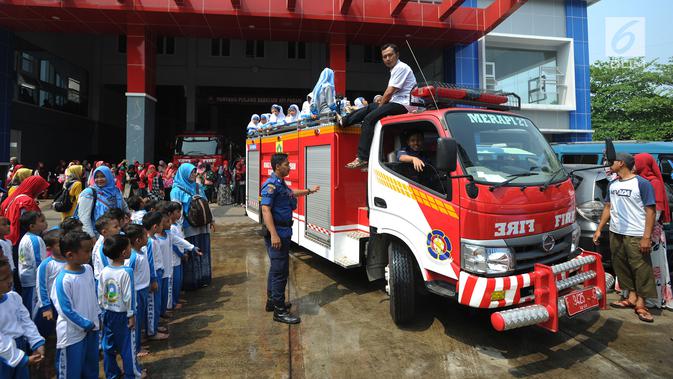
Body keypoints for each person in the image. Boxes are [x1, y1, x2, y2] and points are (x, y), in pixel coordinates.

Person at [593, 153, 657, 323]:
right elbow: (608, 207)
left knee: (641, 268)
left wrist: (646, 237)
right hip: (616, 232)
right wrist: (599, 229)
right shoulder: (613, 184)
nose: (609, 165)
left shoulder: (642, 184)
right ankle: (631, 297)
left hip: (636, 233)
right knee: (620, 264)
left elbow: (651, 211)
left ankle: (642, 304)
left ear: (621, 163)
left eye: (612, 162)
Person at [261, 153, 319, 324]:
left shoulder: (280, 183)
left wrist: (309, 191)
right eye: (287, 164)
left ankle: (273, 301)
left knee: (276, 269)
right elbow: (265, 209)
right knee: (280, 272)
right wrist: (274, 234)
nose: (290, 167)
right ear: (278, 166)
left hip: (283, 232)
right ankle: (279, 312)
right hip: (278, 233)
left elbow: (291, 193)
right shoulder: (271, 185)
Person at [341, 43, 417, 169]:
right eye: (384, 56)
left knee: (369, 119)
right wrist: (379, 104)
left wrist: (380, 107)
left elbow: (389, 92)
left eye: (390, 55)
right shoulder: (396, 69)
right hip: (398, 102)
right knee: (372, 106)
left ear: (397, 55)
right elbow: (390, 95)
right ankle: (345, 120)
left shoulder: (401, 68)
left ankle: (362, 158)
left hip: (405, 105)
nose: (387, 58)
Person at [52, 231, 99, 379]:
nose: (90, 254)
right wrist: (85, 324)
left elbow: (92, 296)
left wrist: (97, 318)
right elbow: (65, 310)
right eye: (86, 251)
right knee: (71, 372)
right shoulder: (63, 280)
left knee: (91, 367)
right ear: (70, 255)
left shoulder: (88, 269)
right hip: (72, 335)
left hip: (91, 329)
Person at [99, 234, 145, 379]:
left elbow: (100, 292)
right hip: (123, 314)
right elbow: (129, 295)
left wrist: (102, 309)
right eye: (129, 246)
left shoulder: (104, 270)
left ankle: (111, 373)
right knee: (128, 347)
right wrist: (131, 315)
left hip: (107, 312)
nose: (131, 248)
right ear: (124, 253)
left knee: (108, 346)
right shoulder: (127, 271)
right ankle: (134, 374)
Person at [634, 153, 673, 309]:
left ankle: (652, 298)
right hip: (638, 229)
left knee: (652, 266)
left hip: (650, 231)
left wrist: (646, 233)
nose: (633, 165)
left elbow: (655, 212)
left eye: (636, 163)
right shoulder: (636, 180)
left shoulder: (654, 183)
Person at [0, 258, 46, 378]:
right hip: (3, 354)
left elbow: (26, 322)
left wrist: (36, 343)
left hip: (20, 348)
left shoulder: (14, 297)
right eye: (4, 279)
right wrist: (21, 359)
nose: (10, 281)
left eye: (10, 276)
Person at [171, 163, 214, 290]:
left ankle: (204, 277)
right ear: (184, 174)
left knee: (203, 251)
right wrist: (178, 229)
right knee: (192, 253)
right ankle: (191, 282)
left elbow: (206, 202)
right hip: (188, 227)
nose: (195, 174)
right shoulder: (176, 191)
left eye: (195, 172)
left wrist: (212, 220)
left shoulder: (198, 186)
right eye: (192, 172)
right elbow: (176, 211)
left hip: (202, 226)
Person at [123, 224, 153, 357]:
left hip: (143, 290)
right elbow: (127, 275)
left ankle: (138, 343)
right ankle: (136, 348)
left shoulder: (141, 252)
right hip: (136, 292)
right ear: (138, 240)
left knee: (140, 319)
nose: (147, 237)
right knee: (136, 320)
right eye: (145, 236)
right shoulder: (133, 257)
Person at [76, 165, 129, 238]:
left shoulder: (116, 191)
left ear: (109, 176)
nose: (99, 179)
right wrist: (91, 237)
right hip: (99, 235)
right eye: (96, 177)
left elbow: (124, 208)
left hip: (117, 232)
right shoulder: (89, 193)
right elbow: (84, 218)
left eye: (102, 176)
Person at [141, 211, 168, 340]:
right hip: (154, 275)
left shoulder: (154, 239)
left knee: (156, 303)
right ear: (155, 227)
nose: (163, 227)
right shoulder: (149, 242)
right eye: (162, 225)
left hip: (159, 273)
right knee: (152, 305)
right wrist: (153, 279)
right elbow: (150, 261)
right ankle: (151, 332)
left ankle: (155, 326)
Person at [33, 229, 65, 339]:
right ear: (49, 249)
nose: (64, 247)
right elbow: (41, 287)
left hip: (64, 302)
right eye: (59, 245)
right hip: (50, 304)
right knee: (43, 333)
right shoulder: (46, 264)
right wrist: (46, 307)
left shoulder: (71, 260)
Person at [17, 211, 48, 315]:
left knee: (28, 303)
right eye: (42, 221)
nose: (45, 223)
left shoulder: (26, 237)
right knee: (32, 308)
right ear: (32, 226)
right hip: (33, 280)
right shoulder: (35, 240)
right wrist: (44, 279)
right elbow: (38, 262)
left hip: (27, 278)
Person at [92, 216, 122, 285]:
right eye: (115, 227)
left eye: (119, 226)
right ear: (104, 232)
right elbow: (108, 274)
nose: (119, 228)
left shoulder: (116, 242)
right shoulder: (103, 251)